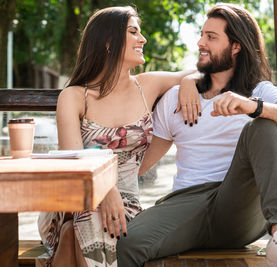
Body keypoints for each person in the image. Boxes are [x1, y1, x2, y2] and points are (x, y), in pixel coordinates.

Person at [117, 3, 277, 267]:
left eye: (211, 37)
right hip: (186, 204)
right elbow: (140, 165)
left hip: (238, 207)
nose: (200, 42)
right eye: (201, 34)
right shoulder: (176, 98)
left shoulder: (260, 90)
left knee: (262, 125)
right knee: (127, 244)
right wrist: (99, 177)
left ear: (236, 46)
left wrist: (253, 107)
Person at [37, 6, 198, 267]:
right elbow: (73, 160)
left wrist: (189, 82)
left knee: (74, 235)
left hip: (127, 205)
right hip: (77, 197)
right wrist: (105, 188)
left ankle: (74, 239)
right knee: (88, 217)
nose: (143, 39)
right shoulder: (75, 96)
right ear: (109, 43)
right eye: (134, 32)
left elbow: (198, 72)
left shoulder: (148, 85)